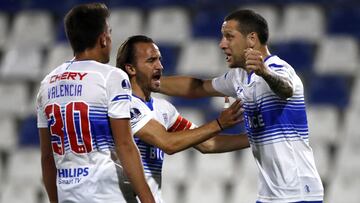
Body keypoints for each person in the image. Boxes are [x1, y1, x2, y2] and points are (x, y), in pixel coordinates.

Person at [160, 9, 324, 203]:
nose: (222, 44)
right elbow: (198, 88)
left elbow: (286, 89)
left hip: (298, 191)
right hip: (270, 194)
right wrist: (152, 83)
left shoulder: (278, 68)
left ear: (252, 39)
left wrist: (264, 72)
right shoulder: (238, 76)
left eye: (229, 37)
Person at [36, 3, 155, 203]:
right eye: (109, 32)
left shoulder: (47, 83)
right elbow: (125, 144)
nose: (110, 37)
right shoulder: (111, 77)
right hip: (106, 195)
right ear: (102, 39)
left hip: (68, 196)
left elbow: (47, 158)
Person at [115, 35, 250, 202]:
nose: (160, 66)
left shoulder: (164, 109)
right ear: (131, 69)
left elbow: (207, 144)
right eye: (151, 61)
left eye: (160, 59)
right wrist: (219, 124)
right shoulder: (123, 105)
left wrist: (255, 137)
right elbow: (168, 143)